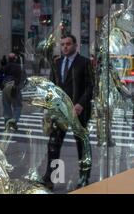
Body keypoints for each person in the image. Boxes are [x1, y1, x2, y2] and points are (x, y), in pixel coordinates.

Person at [41, 34, 94, 190]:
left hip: (79, 111)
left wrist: (80, 104)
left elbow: (91, 86)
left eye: (68, 44)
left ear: (75, 45)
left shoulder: (85, 62)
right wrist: (49, 106)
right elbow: (52, 86)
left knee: (82, 145)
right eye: (62, 44)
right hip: (60, 111)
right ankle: (50, 178)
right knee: (53, 144)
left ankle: (84, 178)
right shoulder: (56, 63)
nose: (65, 47)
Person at [0, 53, 24, 130]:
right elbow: (22, 78)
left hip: (5, 87)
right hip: (14, 87)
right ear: (15, 59)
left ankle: (7, 122)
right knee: (18, 106)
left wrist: (2, 86)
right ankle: (14, 120)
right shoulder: (18, 67)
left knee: (6, 106)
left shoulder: (4, 67)